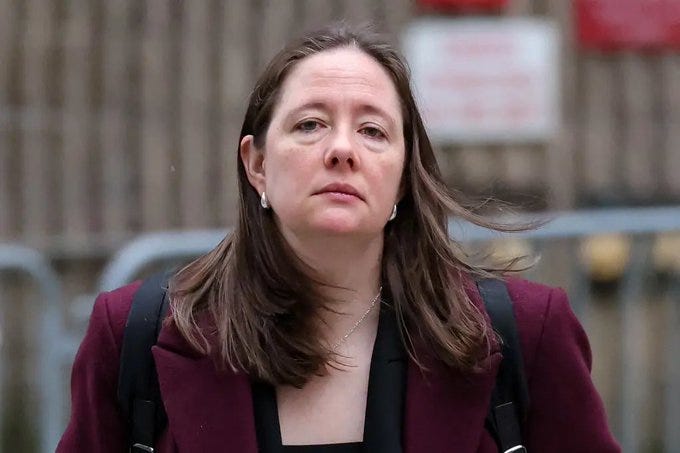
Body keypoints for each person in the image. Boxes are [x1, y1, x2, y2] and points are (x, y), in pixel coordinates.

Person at [58, 22, 620, 452]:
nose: (342, 149)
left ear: (404, 176)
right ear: (256, 165)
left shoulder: (524, 333)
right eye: (310, 124)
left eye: (373, 130)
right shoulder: (133, 335)